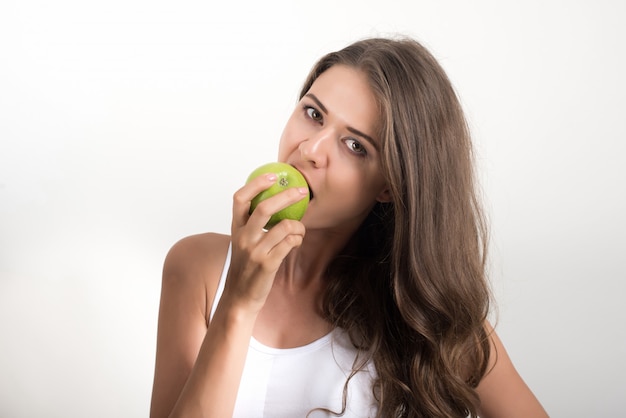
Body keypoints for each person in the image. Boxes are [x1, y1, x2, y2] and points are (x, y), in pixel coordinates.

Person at [149, 36, 549, 418]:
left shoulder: (427, 316)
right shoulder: (196, 268)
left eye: (355, 145)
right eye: (313, 114)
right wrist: (238, 302)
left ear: (389, 187)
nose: (310, 150)